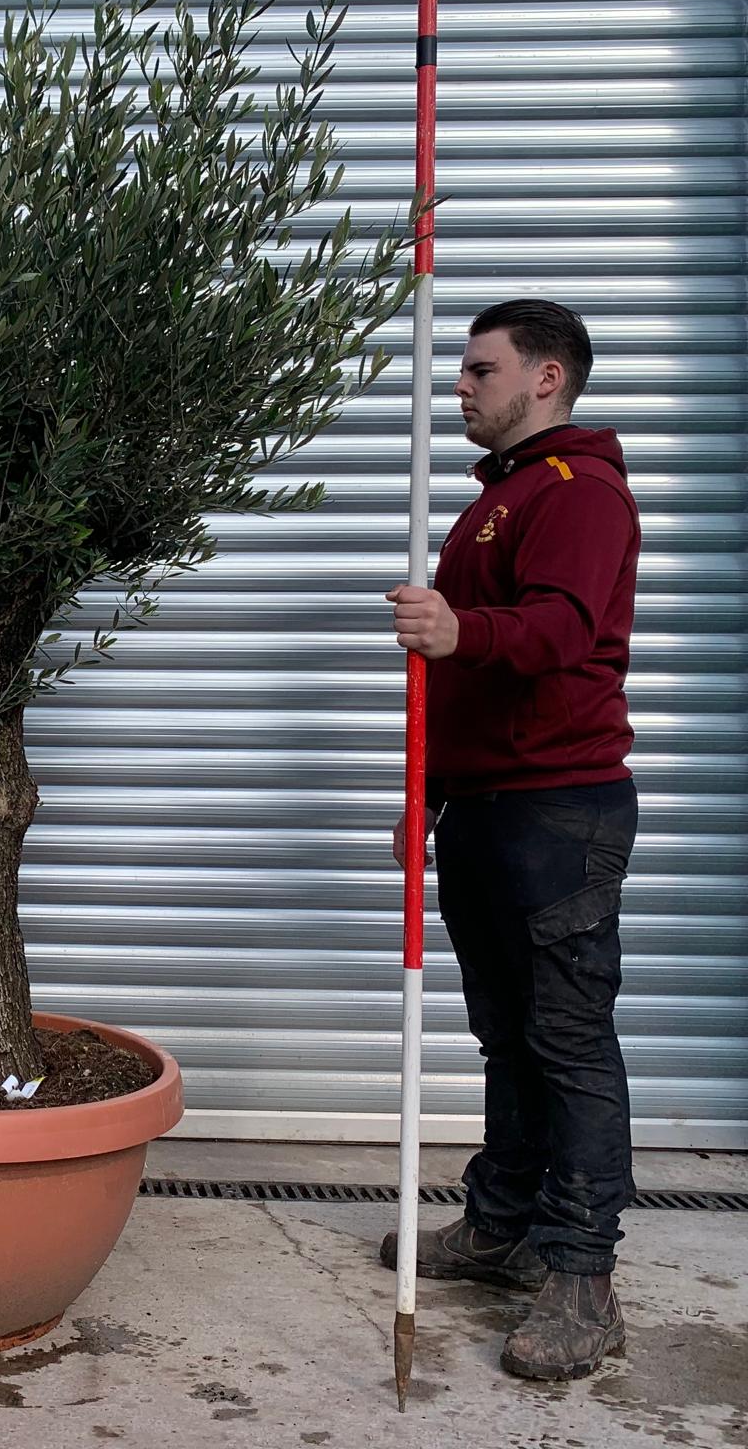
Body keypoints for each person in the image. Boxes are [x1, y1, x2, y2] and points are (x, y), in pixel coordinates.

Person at [380, 299, 642, 1382]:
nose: (461, 387)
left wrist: (457, 627)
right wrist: (421, 796)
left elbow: (564, 632)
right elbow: (477, 679)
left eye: (480, 369)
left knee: (568, 1039)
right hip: (483, 807)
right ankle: (501, 1226)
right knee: (507, 1033)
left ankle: (580, 1279)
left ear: (546, 378)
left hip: (557, 808)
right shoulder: (499, 501)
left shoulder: (577, 493)